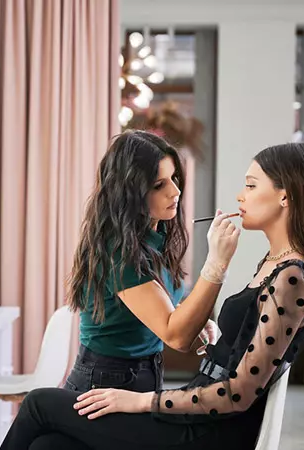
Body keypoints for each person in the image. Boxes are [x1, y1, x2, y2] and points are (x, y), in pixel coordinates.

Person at [1, 142, 304, 450]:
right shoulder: (274, 265)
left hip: (206, 424)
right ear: (133, 193)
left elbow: (237, 390)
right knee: (47, 446)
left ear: (286, 196)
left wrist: (143, 400)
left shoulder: (292, 276)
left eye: (251, 186)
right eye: (160, 184)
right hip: (175, 402)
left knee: (37, 406)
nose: (240, 196)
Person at [64, 130, 239, 394]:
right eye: (159, 186)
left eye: (174, 179)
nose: (176, 191)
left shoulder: (157, 233)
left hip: (143, 372)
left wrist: (195, 318)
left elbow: (157, 302)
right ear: (130, 194)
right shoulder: (118, 253)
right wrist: (216, 263)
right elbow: (176, 336)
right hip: (104, 382)